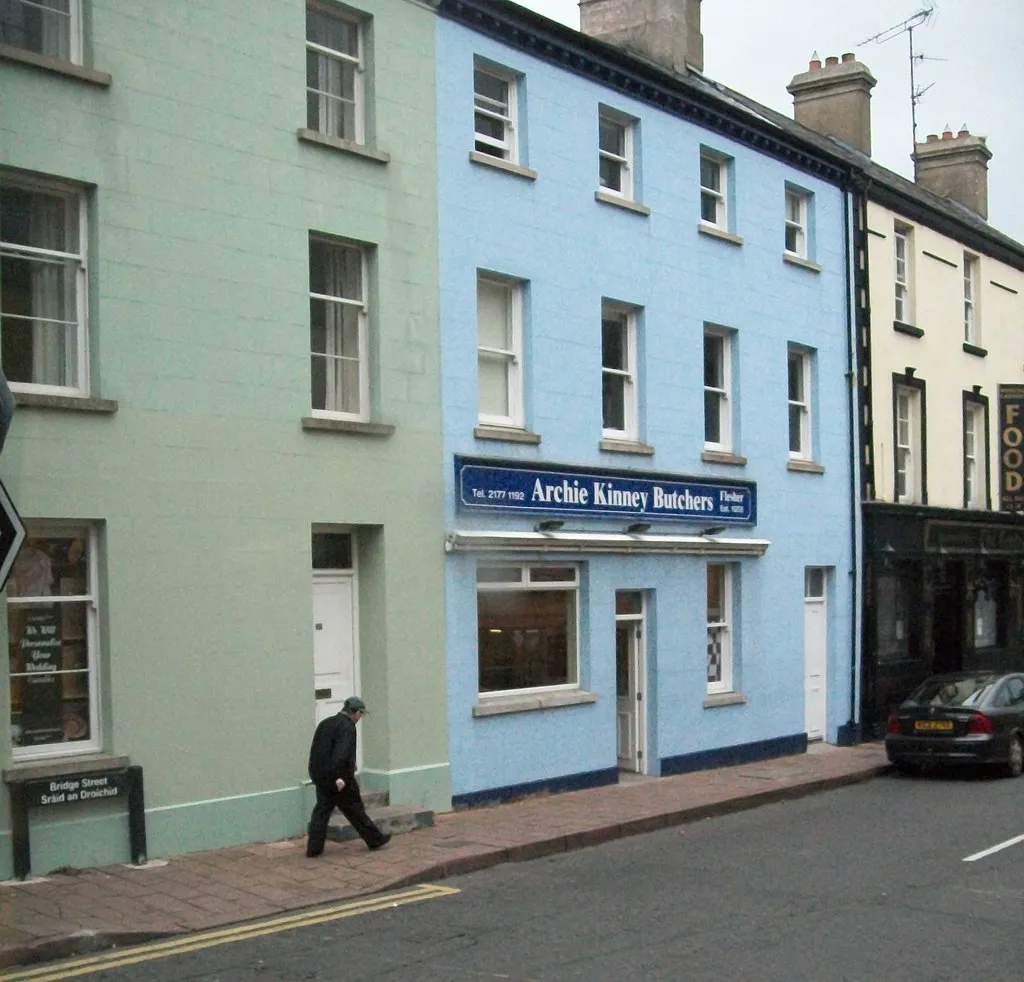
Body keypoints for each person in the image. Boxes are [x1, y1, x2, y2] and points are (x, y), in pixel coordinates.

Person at [306, 696, 390, 857]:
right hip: (340, 778)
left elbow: (317, 751)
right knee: (355, 809)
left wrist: (318, 775)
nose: (361, 718)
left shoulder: (326, 723)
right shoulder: (348, 727)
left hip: (321, 775)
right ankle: (375, 839)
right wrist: (339, 777)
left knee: (322, 811)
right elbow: (341, 754)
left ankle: (314, 848)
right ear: (356, 712)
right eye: (361, 714)